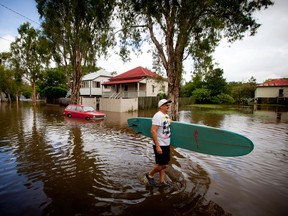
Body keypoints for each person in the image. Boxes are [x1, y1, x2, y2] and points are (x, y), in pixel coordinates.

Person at [146, 99, 172, 186]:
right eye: (166, 105)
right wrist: (157, 146)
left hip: (166, 143)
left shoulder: (166, 116)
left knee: (161, 164)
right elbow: (153, 131)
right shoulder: (157, 116)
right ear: (161, 106)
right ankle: (150, 174)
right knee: (164, 165)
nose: (168, 106)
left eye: (168, 105)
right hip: (160, 144)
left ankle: (162, 182)